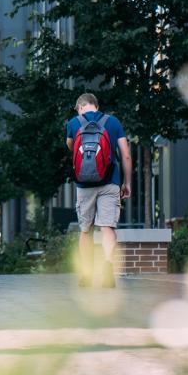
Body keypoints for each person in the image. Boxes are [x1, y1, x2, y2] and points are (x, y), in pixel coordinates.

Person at [65, 94, 132, 288]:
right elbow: (125, 155)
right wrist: (126, 183)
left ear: (80, 107)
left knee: (86, 230)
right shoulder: (113, 122)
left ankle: (86, 273)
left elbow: (71, 147)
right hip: (110, 181)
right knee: (107, 228)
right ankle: (108, 267)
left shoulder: (73, 123)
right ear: (96, 106)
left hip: (84, 185)